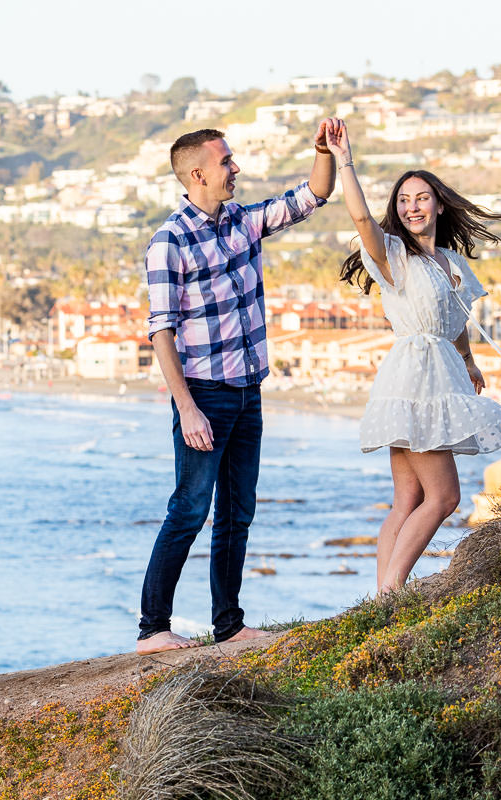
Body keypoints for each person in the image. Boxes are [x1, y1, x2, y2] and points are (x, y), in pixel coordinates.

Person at [137, 124, 339, 654]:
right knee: (189, 508)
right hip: (203, 395)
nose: (236, 168)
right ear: (198, 173)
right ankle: (152, 629)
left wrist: (323, 154)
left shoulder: (244, 223)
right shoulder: (169, 241)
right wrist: (187, 409)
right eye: (227, 161)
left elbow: (313, 196)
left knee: (237, 511)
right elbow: (161, 331)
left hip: (249, 391)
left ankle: (228, 622)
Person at [324, 119, 501, 594]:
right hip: (415, 377)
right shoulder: (394, 256)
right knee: (446, 495)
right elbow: (360, 219)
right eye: (403, 200)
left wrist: (470, 361)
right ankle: (391, 593)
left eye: (421, 198)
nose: (412, 207)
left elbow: (457, 320)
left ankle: (379, 598)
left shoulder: (451, 263)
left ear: (437, 203)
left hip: (440, 373)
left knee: (408, 496)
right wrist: (344, 161)